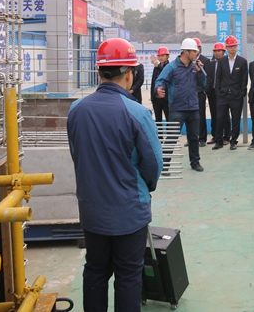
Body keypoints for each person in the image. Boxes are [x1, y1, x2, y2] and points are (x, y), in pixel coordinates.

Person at [67, 38, 163, 312]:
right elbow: (153, 164)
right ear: (129, 74)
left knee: (95, 270)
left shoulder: (77, 110)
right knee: (129, 275)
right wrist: (145, 187)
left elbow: (78, 155)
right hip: (129, 212)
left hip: (92, 210)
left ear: (99, 72)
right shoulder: (137, 113)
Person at [155, 38, 207, 172]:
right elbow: (160, 80)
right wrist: (158, 89)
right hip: (177, 109)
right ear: (185, 52)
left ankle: (195, 162)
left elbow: (203, 83)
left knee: (194, 137)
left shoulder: (195, 67)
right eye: (194, 51)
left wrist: (200, 72)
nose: (197, 54)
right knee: (172, 137)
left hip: (193, 108)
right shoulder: (172, 67)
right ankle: (164, 165)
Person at [213, 35, 248, 150]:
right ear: (226, 48)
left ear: (237, 47)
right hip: (223, 95)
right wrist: (218, 92)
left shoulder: (242, 61)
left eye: (234, 46)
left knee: (236, 120)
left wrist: (242, 93)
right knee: (220, 119)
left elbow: (244, 79)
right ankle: (218, 141)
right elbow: (218, 77)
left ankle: (233, 141)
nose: (232, 48)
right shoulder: (222, 61)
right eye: (230, 46)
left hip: (236, 96)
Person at [206, 42, 229, 145]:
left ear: (224, 52)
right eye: (215, 51)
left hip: (223, 93)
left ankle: (226, 136)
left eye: (219, 51)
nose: (217, 53)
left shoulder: (227, 63)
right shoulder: (211, 64)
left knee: (225, 115)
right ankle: (215, 136)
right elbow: (209, 78)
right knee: (214, 114)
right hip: (212, 92)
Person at [195, 37, 211, 147]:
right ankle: (192, 138)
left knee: (200, 116)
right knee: (190, 117)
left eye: (197, 48)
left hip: (200, 93)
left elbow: (208, 77)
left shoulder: (205, 61)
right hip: (190, 93)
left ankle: (202, 138)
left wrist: (205, 90)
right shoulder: (187, 61)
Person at [150, 47, 170, 126]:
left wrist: (157, 66)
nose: (161, 58)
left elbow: (166, 73)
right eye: (159, 56)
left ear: (167, 56)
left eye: (163, 56)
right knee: (158, 120)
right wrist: (152, 96)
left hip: (166, 98)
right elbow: (153, 82)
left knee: (169, 118)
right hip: (156, 98)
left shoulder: (169, 66)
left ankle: (169, 133)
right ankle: (159, 134)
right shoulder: (156, 67)